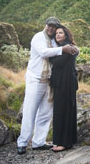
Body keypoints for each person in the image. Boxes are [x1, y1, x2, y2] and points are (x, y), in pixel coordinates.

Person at [17, 17, 79, 154]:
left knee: (45, 113)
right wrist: (64, 49)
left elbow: (69, 49)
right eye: (49, 26)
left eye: (54, 27)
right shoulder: (38, 37)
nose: (51, 29)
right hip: (36, 79)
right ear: (45, 25)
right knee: (30, 111)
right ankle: (22, 142)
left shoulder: (54, 41)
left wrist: (71, 49)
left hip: (50, 81)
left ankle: (38, 142)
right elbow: (44, 53)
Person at [49, 25, 78, 152]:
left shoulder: (69, 47)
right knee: (62, 110)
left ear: (66, 35)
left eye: (60, 33)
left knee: (63, 111)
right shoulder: (63, 48)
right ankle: (64, 141)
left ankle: (64, 142)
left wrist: (52, 53)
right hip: (63, 82)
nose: (58, 35)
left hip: (66, 82)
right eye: (56, 34)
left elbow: (56, 62)